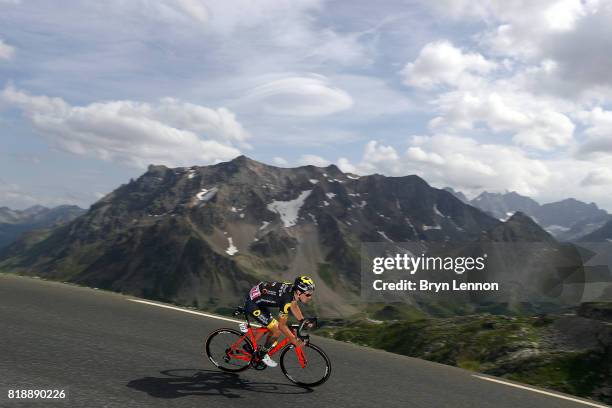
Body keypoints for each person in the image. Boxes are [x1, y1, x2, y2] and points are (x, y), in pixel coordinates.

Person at [243, 275, 315, 367]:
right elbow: (282, 326)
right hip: (252, 304)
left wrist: (302, 321)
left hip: (258, 298)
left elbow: (294, 306)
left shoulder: (292, 291)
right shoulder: (286, 300)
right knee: (277, 330)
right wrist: (295, 341)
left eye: (311, 294)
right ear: (298, 292)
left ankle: (250, 346)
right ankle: (261, 354)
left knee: (271, 325)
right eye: (308, 294)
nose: (310, 297)